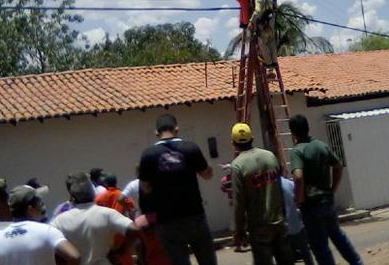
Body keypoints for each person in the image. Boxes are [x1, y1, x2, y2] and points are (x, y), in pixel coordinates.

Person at [139, 113, 217, 265]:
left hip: (167, 220)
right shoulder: (191, 148)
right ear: (177, 129)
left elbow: (145, 188)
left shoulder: (148, 155)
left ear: (157, 132)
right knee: (207, 260)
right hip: (194, 216)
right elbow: (207, 175)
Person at [289, 114, 363, 265]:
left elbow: (298, 176)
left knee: (320, 246)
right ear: (308, 128)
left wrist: (299, 199)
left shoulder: (297, 151)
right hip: (327, 200)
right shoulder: (321, 145)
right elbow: (338, 166)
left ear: (293, 132)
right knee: (337, 236)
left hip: (311, 205)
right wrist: (332, 189)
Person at [230, 122, 293, 265]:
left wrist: (239, 231)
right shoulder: (270, 156)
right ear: (252, 138)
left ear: (233, 142)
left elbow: (239, 203)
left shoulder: (237, 166)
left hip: (259, 227)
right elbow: (280, 186)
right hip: (279, 221)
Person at [52, 171, 138, 265]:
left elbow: (51, 247)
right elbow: (134, 229)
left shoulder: (59, 221)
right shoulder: (107, 214)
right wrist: (119, 252)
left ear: (72, 197)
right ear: (93, 193)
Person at [0, 185, 80, 265]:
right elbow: (74, 256)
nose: (42, 205)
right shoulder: (47, 232)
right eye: (39, 202)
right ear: (30, 210)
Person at [281, 176, 314, 265]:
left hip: (282, 228)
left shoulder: (270, 188)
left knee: (287, 256)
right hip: (296, 224)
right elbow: (299, 202)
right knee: (306, 252)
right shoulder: (289, 184)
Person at [244, 0, 277, 72]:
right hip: (271, 22)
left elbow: (258, 11)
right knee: (271, 43)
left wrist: (251, 21)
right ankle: (274, 63)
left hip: (264, 24)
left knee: (262, 43)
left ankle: (269, 64)